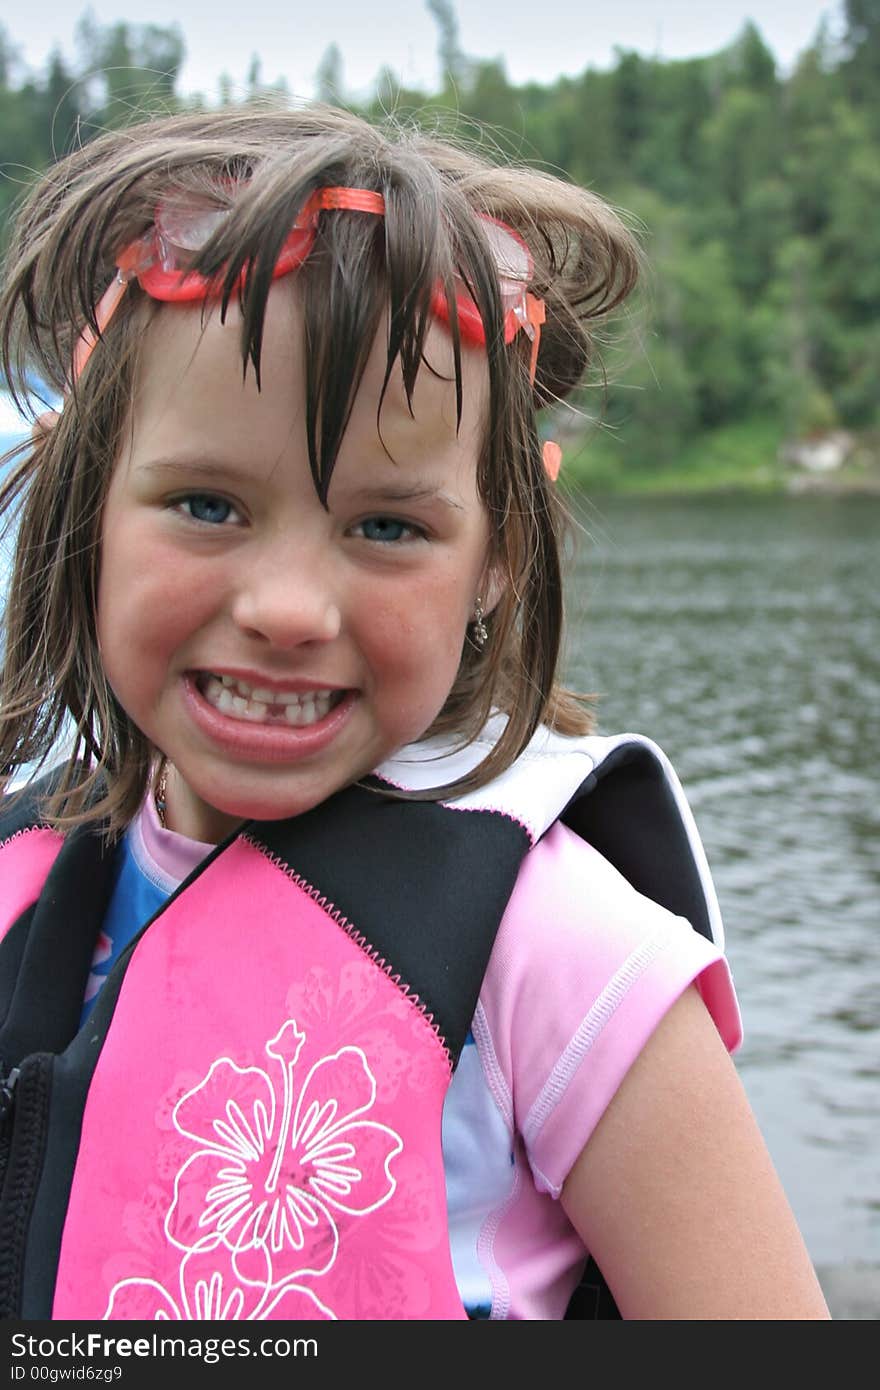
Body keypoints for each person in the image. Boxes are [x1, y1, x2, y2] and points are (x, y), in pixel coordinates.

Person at [0, 105, 829, 1322]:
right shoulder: (20, 876)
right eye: (207, 505)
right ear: (91, 510)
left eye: (386, 527)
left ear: (496, 560)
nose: (286, 608)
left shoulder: (563, 961)